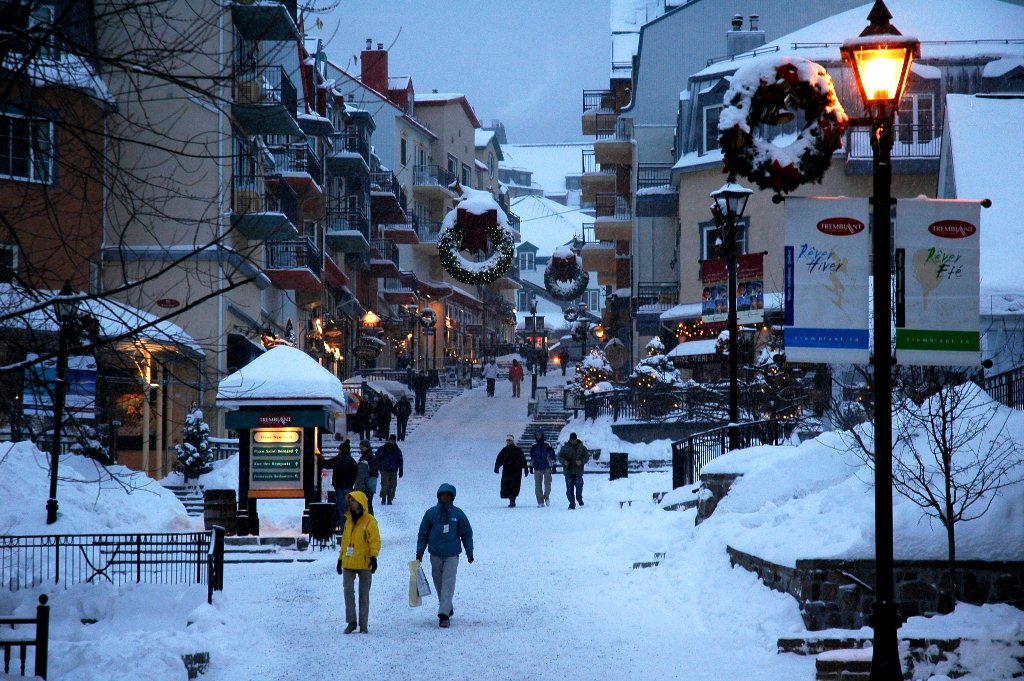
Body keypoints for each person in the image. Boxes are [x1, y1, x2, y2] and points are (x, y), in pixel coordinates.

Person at [416, 483, 474, 628]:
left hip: (452, 554)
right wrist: (420, 552)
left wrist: (469, 552)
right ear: (439, 496)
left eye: (448, 495)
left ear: (452, 497)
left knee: (448, 581)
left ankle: (443, 614)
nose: (445, 497)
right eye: (443, 495)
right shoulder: (431, 514)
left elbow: (466, 533)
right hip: (435, 553)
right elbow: (423, 533)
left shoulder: (458, 514)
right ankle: (447, 605)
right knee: (438, 582)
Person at [336, 490, 380, 634]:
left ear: (361, 503)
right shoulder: (348, 520)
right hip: (348, 563)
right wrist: (340, 558)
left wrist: (373, 557)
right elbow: (345, 541)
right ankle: (352, 621)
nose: (351, 503)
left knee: (364, 594)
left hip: (365, 563)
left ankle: (363, 624)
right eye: (350, 501)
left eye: (353, 500)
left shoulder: (370, 521)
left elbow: (375, 540)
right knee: (348, 592)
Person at [316, 438, 358, 530]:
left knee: (341, 509)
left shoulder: (338, 459)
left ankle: (343, 529)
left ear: (341, 450)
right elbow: (355, 473)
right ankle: (349, 528)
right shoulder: (352, 461)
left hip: (340, 488)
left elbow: (325, 464)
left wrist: (319, 456)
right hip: (349, 488)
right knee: (348, 509)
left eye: (339, 450)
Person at [493, 434, 528, 507]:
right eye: (507, 440)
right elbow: (499, 459)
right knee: (507, 485)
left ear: (512, 441)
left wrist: (525, 468)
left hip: (516, 471)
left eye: (510, 440)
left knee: (514, 486)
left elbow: (523, 459)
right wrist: (497, 467)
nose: (509, 442)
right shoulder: (504, 450)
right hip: (507, 471)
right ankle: (511, 499)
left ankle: (513, 500)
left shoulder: (518, 450)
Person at [558, 432, 590, 510]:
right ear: (570, 440)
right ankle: (572, 503)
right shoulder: (565, 448)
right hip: (568, 471)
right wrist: (564, 461)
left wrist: (581, 461)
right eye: (572, 440)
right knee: (569, 489)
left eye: (574, 440)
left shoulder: (582, 447)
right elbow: (559, 456)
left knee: (579, 486)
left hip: (578, 471)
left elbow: (587, 456)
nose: (573, 441)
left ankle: (579, 498)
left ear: (576, 439)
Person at [528, 429, 557, 507]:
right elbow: (532, 457)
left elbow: (552, 455)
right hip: (537, 467)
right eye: (537, 435)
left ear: (542, 435)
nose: (538, 436)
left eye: (539, 434)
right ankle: (540, 501)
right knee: (538, 485)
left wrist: (554, 465)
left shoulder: (547, 444)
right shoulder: (534, 445)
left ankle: (546, 496)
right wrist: (531, 466)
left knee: (547, 483)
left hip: (546, 466)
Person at [376, 434, 404, 505]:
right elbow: (377, 458)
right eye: (391, 440)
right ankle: (383, 498)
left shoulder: (397, 450)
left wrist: (401, 470)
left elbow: (400, 460)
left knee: (393, 485)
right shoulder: (383, 449)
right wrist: (379, 467)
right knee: (384, 484)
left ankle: (390, 498)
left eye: (393, 440)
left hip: (393, 470)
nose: (392, 441)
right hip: (384, 469)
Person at [353, 440, 377, 516]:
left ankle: (370, 522)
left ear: (367, 447)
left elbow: (372, 472)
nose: (360, 449)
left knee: (367, 504)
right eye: (360, 447)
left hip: (367, 485)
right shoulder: (365, 456)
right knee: (366, 504)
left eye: (362, 447)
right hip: (366, 485)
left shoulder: (369, 457)